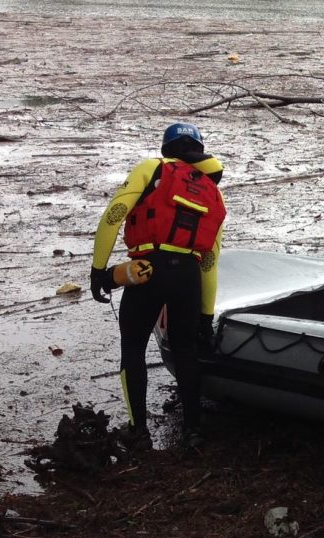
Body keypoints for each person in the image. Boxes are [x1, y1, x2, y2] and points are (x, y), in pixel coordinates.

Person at [90, 122, 226, 451]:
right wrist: (206, 315)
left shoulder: (152, 168)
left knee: (134, 348)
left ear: (167, 148)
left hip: (147, 270)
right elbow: (210, 259)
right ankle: (193, 430)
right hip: (188, 276)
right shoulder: (212, 189)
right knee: (186, 350)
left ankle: (139, 432)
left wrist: (99, 271)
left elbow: (114, 215)